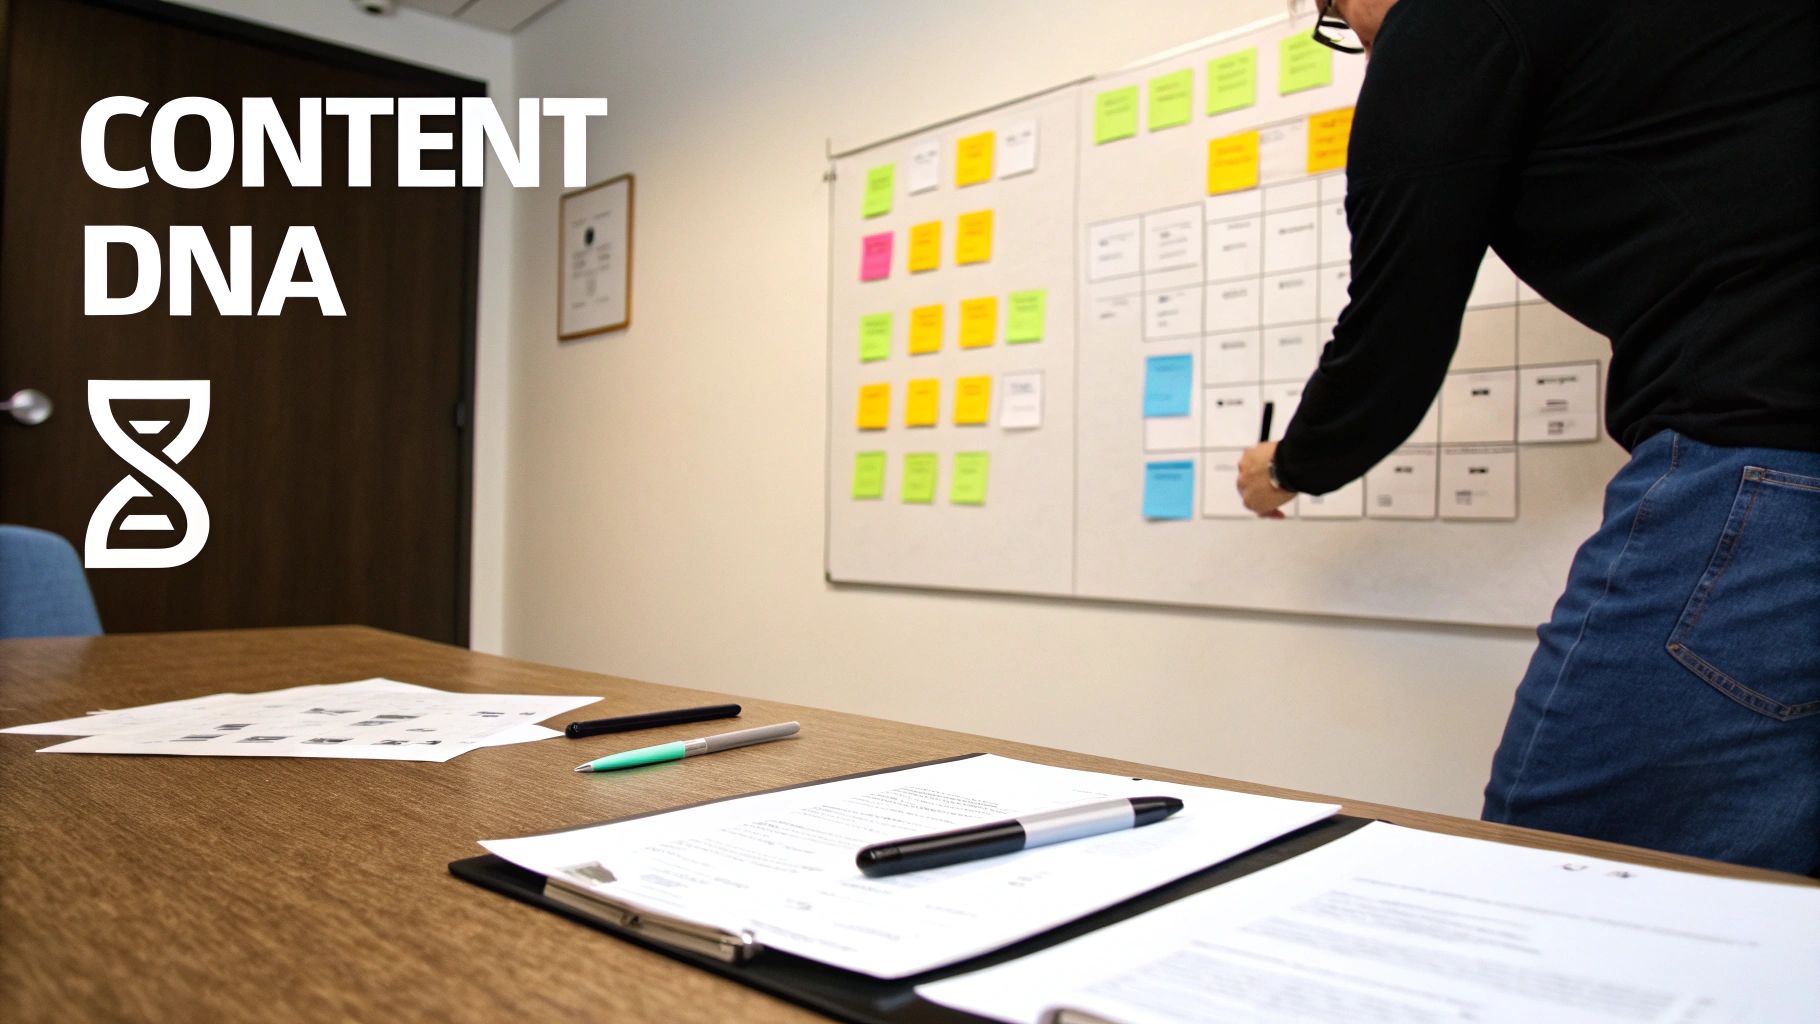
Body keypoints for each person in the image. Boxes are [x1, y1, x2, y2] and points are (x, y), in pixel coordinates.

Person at [1236, 0, 1820, 874]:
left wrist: (1290, 464)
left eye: (1335, 18)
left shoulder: (1443, 22)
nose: (1357, 42)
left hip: (1769, 455)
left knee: (1554, 871)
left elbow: (1395, 324)